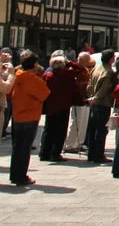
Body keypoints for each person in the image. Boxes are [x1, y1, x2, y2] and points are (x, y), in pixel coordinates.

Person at [9, 51, 50, 186]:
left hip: (17, 115)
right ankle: (21, 176)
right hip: (30, 115)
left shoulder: (17, 76)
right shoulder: (33, 79)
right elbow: (45, 94)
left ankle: (15, 174)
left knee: (17, 146)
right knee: (25, 147)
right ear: (34, 64)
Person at [40, 52, 80, 163]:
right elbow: (81, 70)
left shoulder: (47, 76)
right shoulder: (67, 74)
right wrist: (70, 62)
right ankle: (55, 153)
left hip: (50, 105)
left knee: (48, 129)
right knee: (60, 130)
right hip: (63, 105)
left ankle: (44, 152)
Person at [85, 47, 115, 163]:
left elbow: (89, 84)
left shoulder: (96, 68)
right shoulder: (108, 71)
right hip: (102, 102)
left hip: (93, 102)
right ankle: (98, 154)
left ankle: (92, 153)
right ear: (111, 59)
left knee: (92, 128)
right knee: (101, 129)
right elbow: (104, 88)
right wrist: (96, 98)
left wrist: (90, 96)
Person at [63, 51, 92, 154]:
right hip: (78, 98)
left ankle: (79, 143)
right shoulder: (75, 68)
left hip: (85, 97)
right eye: (86, 59)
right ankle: (70, 144)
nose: (88, 61)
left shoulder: (85, 69)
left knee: (83, 121)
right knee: (76, 121)